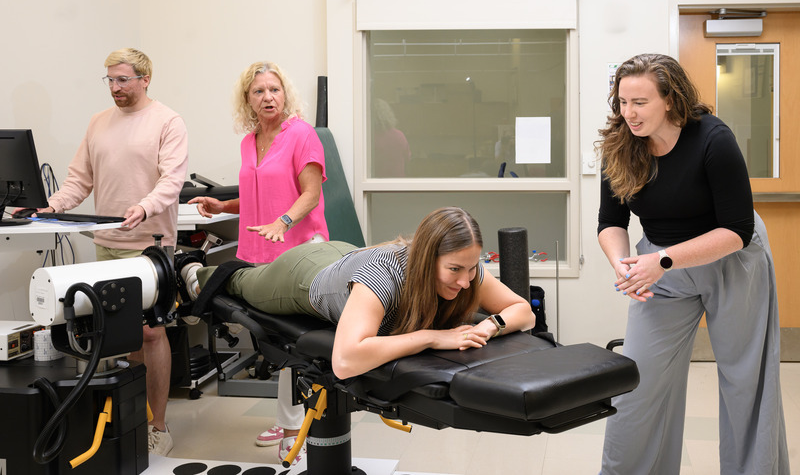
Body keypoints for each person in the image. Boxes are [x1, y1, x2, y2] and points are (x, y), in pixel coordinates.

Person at [595, 53, 788, 474]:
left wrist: (662, 261)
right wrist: (623, 264)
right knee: (638, 384)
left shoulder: (713, 140)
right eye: (623, 101)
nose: (629, 113)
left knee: (745, 384)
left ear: (669, 99)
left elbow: (736, 230)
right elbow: (611, 221)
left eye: (640, 102)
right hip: (659, 265)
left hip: (731, 259)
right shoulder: (620, 146)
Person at [36, 48, 189, 456]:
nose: (115, 88)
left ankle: (157, 423)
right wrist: (49, 208)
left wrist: (144, 207)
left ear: (145, 79)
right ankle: (131, 416)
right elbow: (78, 180)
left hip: (150, 244)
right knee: (121, 336)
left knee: (152, 332)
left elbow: (172, 181)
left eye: (122, 80)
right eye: (110, 80)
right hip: (106, 244)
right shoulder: (98, 123)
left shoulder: (167, 121)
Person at [189, 206, 536, 380]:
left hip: (346, 257)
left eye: (472, 268)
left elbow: (523, 310)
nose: (465, 281)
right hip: (301, 275)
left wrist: (491, 325)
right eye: (454, 270)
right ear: (427, 259)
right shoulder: (384, 277)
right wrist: (432, 337)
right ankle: (191, 272)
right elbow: (345, 361)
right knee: (243, 282)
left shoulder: (466, 267)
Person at [187, 61, 328, 464]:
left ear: (286, 95)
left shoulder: (301, 135)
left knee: (292, 341)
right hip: (259, 251)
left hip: (300, 251)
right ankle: (291, 416)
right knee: (269, 338)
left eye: (274, 90)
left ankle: (292, 427)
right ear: (247, 100)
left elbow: (310, 194)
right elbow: (255, 195)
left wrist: (284, 222)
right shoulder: (249, 142)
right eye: (259, 91)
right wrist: (222, 204)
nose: (268, 97)